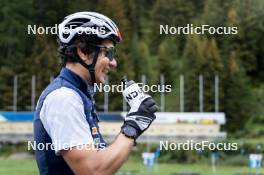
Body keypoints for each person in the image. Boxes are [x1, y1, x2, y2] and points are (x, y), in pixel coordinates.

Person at [33, 11, 158, 175]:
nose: (114, 63)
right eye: (108, 53)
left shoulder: (78, 95)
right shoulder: (63, 98)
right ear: (83, 52)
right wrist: (132, 127)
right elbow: (93, 171)